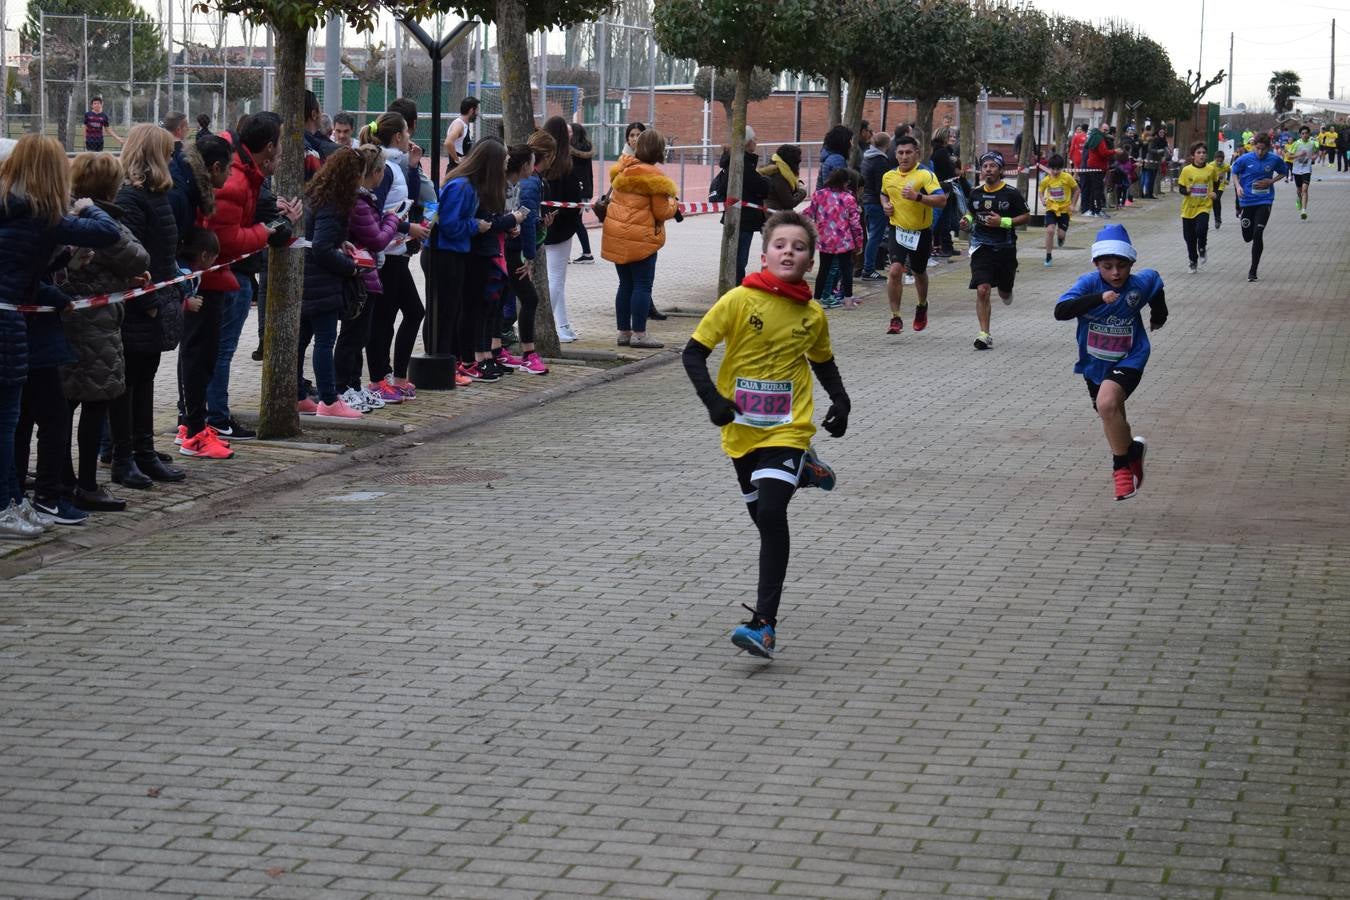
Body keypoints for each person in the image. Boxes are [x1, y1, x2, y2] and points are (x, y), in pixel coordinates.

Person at [681, 210, 851, 660]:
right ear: (764, 254)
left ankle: (764, 626)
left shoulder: (812, 314)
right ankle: (808, 469)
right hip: (741, 432)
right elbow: (693, 353)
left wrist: (841, 400)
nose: (788, 252)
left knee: (773, 514)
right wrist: (714, 401)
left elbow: (822, 360)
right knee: (764, 524)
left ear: (810, 261)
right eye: (780, 245)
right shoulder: (738, 300)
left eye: (798, 247)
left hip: (788, 427)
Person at [0, 134, 121, 537]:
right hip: (8, 326)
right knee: (8, 423)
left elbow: (21, 272)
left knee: (13, 421)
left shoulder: (13, 210)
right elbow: (107, 233)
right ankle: (6, 505)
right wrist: (90, 207)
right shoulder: (38, 214)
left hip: (16, 320)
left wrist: (52, 290)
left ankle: (15, 499)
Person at [187, 113, 302, 456]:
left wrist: (272, 214)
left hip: (228, 274)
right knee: (213, 353)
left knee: (210, 353)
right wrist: (268, 231)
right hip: (222, 275)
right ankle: (210, 418)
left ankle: (203, 419)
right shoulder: (235, 180)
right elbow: (227, 239)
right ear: (268, 148)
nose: (281, 155)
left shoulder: (244, 174)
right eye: (279, 147)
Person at [60, 152, 150, 512]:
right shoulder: (102, 220)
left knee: (62, 408)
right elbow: (137, 257)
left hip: (65, 323)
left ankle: (61, 478)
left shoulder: (62, 213)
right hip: (97, 328)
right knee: (95, 406)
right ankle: (86, 483)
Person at [1054, 224, 1166, 502]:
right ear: (1096, 264)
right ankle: (1133, 453)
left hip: (1131, 357)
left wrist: (1159, 316)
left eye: (1122, 266)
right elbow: (1060, 311)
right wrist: (1097, 299)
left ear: (1131, 263)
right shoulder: (1088, 284)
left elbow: (1156, 285)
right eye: (1107, 266)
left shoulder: (1139, 284)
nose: (1115, 273)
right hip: (1094, 363)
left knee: (1106, 404)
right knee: (1111, 415)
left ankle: (1121, 470)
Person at [433, 139, 527, 382]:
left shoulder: (473, 187)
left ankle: (457, 363)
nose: (507, 162)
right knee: (453, 311)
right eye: (504, 159)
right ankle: (454, 362)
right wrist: (478, 225)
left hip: (460, 250)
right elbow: (449, 223)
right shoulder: (462, 186)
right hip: (448, 252)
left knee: (464, 309)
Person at [360, 111, 433, 399]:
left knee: (398, 314)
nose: (410, 139)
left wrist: (414, 168)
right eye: (407, 133)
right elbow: (377, 210)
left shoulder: (396, 165)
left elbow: (406, 200)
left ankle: (393, 376)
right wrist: (407, 227)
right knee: (401, 314)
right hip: (387, 253)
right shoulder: (386, 167)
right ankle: (382, 378)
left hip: (396, 250)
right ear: (397, 137)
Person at [335, 143, 407, 413]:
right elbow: (376, 239)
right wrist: (392, 219)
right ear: (375, 172)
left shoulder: (366, 201)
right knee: (352, 337)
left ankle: (353, 385)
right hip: (360, 276)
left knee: (360, 336)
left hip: (368, 275)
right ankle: (343, 387)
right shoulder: (360, 203)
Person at [602, 128, 678, 349]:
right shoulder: (655, 178)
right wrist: (674, 203)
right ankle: (640, 335)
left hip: (617, 235)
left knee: (625, 284)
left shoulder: (623, 171)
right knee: (642, 286)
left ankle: (623, 332)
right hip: (642, 239)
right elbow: (662, 212)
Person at [959, 151, 1029, 350]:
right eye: (985, 166)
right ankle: (984, 334)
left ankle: (1007, 289)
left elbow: (1026, 216)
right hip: (981, 246)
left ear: (1000, 170)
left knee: (1005, 292)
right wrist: (967, 221)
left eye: (992, 166)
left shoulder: (1011, 193)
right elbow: (971, 214)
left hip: (1005, 247)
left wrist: (1003, 222)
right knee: (982, 289)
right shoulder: (975, 193)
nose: (988, 169)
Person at [879, 134, 946, 335]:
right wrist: (885, 205)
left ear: (917, 153)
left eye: (909, 152)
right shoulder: (888, 176)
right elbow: (883, 193)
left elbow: (941, 200)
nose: (904, 156)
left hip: (921, 231)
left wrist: (917, 197)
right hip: (897, 230)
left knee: (918, 272)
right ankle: (895, 317)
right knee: (895, 270)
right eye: (900, 153)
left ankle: (922, 305)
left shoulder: (925, 175)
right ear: (895, 154)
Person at [501, 137, 550, 375]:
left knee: (500, 299)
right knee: (529, 298)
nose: (535, 167)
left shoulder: (518, 185)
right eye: (532, 163)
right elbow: (524, 221)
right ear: (524, 167)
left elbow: (523, 218)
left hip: (507, 247)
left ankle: (496, 348)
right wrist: (529, 256)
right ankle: (528, 353)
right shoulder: (527, 185)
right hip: (508, 250)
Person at [540, 116, 584, 343]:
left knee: (554, 277)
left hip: (544, 226)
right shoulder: (566, 166)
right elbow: (573, 200)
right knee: (556, 278)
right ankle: (540, 322)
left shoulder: (542, 163)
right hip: (561, 229)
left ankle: (562, 325)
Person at [711, 127, 772, 285]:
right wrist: (766, 181)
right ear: (747, 142)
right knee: (739, 259)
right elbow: (761, 187)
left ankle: (735, 285)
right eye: (755, 139)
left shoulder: (736, 161)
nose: (756, 142)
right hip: (744, 218)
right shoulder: (742, 163)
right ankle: (736, 287)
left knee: (736, 257)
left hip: (740, 217)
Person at [1231, 132, 1288, 282]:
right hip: (1247, 201)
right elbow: (1234, 172)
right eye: (1258, 148)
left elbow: (1284, 172)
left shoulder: (1274, 159)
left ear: (1268, 148)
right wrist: (1237, 187)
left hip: (1264, 200)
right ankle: (1245, 225)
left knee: (1258, 234)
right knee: (1247, 237)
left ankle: (1253, 271)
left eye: (1263, 149)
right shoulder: (1244, 159)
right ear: (1253, 146)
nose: (1260, 152)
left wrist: (1271, 181)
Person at [804, 167, 864, 309]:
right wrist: (859, 242)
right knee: (846, 269)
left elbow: (809, 213)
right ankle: (848, 301)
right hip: (844, 241)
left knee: (823, 269)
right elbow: (855, 223)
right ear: (845, 182)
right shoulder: (849, 198)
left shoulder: (819, 195)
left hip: (825, 240)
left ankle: (816, 299)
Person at [1177, 142, 1219, 275]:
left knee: (1201, 228)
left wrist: (1215, 193)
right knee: (1189, 238)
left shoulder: (1211, 170)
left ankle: (1202, 247)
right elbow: (1181, 188)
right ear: (1193, 155)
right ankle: (1193, 261)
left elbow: (1216, 184)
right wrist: (1186, 190)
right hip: (1188, 208)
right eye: (1198, 153)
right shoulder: (1186, 170)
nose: (1202, 155)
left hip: (1204, 206)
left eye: (1204, 153)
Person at [859, 131, 892, 279]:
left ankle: (869, 266)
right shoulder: (880, 161)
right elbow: (882, 186)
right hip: (876, 203)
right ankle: (869, 269)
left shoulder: (867, 157)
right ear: (887, 144)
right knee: (875, 237)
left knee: (872, 236)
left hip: (867, 201)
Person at [1040, 153, 1079, 268]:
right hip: (1051, 208)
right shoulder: (1046, 179)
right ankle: (1048, 255)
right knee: (1050, 231)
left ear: (1062, 169)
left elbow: (1077, 190)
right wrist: (1042, 200)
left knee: (1061, 234)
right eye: (1053, 169)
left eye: (1058, 169)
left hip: (1064, 210)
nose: (1055, 172)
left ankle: (1061, 238)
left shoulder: (1067, 177)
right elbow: (1040, 191)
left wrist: (1073, 205)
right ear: (1049, 168)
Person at [568, 122, 596, 263]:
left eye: (570, 132)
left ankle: (587, 253)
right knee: (575, 221)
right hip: (584, 189)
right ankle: (585, 253)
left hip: (577, 190)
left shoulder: (572, 151)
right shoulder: (586, 148)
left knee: (576, 222)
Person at [1288, 125, 1317, 220]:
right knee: (1299, 190)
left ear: (1309, 134)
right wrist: (1299, 154)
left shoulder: (1312, 143)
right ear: (1300, 135)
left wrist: (1314, 157)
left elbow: (1316, 152)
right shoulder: (1296, 144)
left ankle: (1304, 211)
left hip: (1307, 170)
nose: (1304, 135)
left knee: (1305, 190)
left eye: (1306, 133)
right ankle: (1298, 198)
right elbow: (1289, 156)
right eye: (1302, 133)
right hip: (1296, 170)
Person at [443, 97, 479, 169]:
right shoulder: (459, 124)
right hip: (456, 171)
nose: (478, 113)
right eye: (477, 110)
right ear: (472, 110)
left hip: (461, 170)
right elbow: (448, 142)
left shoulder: (464, 124)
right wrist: (457, 160)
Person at [817, 125, 852, 190]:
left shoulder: (829, 156)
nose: (851, 144)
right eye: (849, 140)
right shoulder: (837, 160)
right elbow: (839, 187)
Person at [1210, 149, 1229, 230]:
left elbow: (1230, 171)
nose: (1219, 163)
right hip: (1212, 185)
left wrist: (1228, 179)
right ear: (1215, 159)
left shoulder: (1225, 166)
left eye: (1220, 161)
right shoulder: (1211, 165)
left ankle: (1217, 220)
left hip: (1221, 186)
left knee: (1217, 199)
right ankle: (1218, 219)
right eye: (1217, 161)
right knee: (1215, 201)